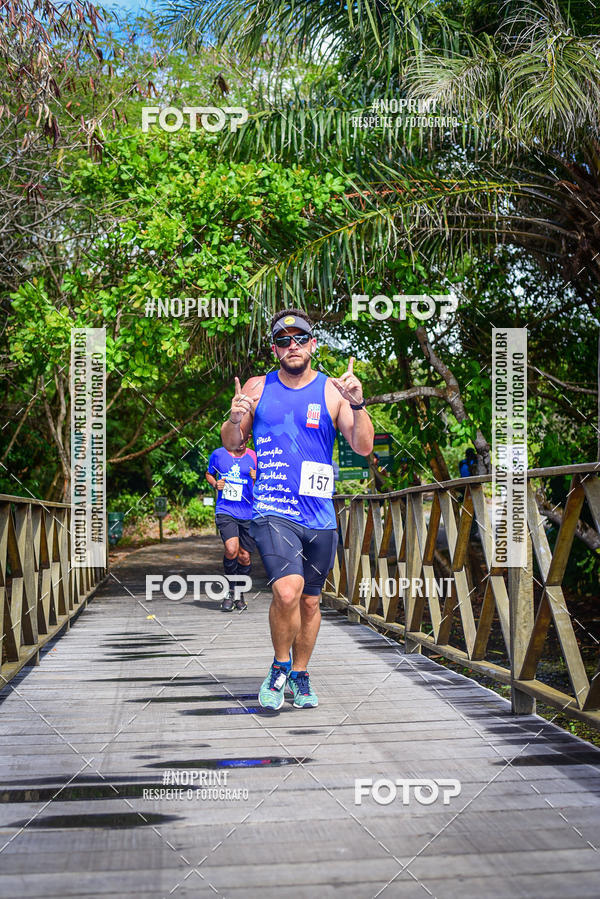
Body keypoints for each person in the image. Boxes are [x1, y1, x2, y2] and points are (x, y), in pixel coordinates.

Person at [221, 308, 374, 709]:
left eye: (300, 338)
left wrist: (357, 405)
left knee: (309, 601)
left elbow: (363, 446)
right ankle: (279, 665)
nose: (293, 346)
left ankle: (301, 675)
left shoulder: (332, 391)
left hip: (319, 515)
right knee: (286, 593)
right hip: (273, 509)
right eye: (284, 340)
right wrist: (236, 417)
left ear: (313, 344)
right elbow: (233, 442)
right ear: (275, 348)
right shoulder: (257, 387)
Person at [206, 436, 256, 612]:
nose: (241, 442)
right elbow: (209, 473)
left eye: (244, 439)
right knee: (231, 549)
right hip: (226, 510)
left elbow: (267, 484)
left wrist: (257, 478)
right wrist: (215, 483)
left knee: (244, 557)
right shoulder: (218, 454)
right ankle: (230, 591)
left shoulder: (255, 456)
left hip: (248, 513)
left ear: (249, 438)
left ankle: (239, 593)